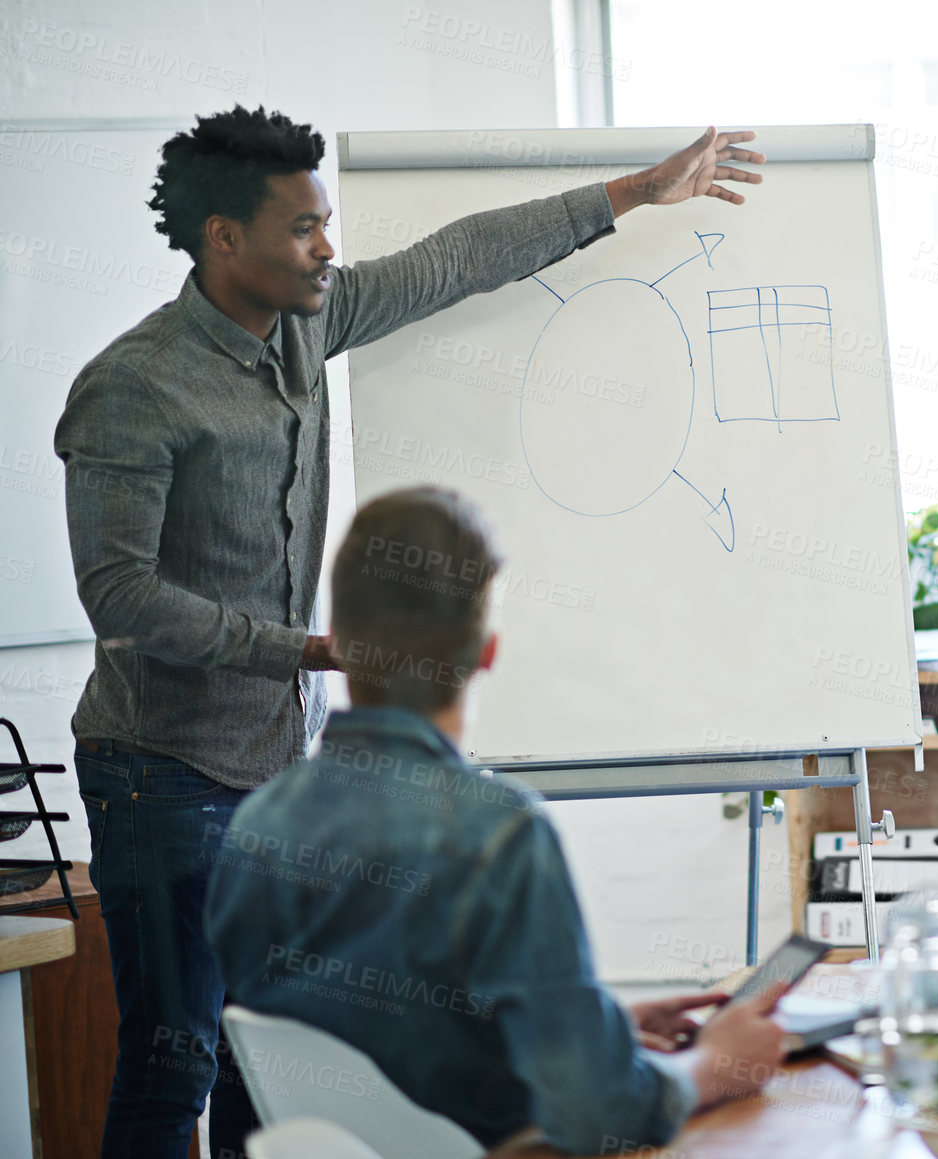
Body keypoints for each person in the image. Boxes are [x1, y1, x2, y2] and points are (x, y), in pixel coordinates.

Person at [55, 104, 765, 1159]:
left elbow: (458, 260)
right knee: (177, 1060)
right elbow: (119, 597)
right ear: (225, 238)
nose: (328, 248)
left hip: (273, 767)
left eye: (327, 223)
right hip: (161, 769)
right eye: (304, 229)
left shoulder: (309, 320)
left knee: (272, 1066)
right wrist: (306, 649)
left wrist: (633, 192)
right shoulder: (132, 387)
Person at [206, 486, 788, 1154]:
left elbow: (388, 1050)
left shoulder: (256, 824)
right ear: (487, 652)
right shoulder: (499, 834)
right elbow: (598, 1114)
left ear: (338, 644)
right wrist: (715, 1064)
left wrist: (590, 1028)